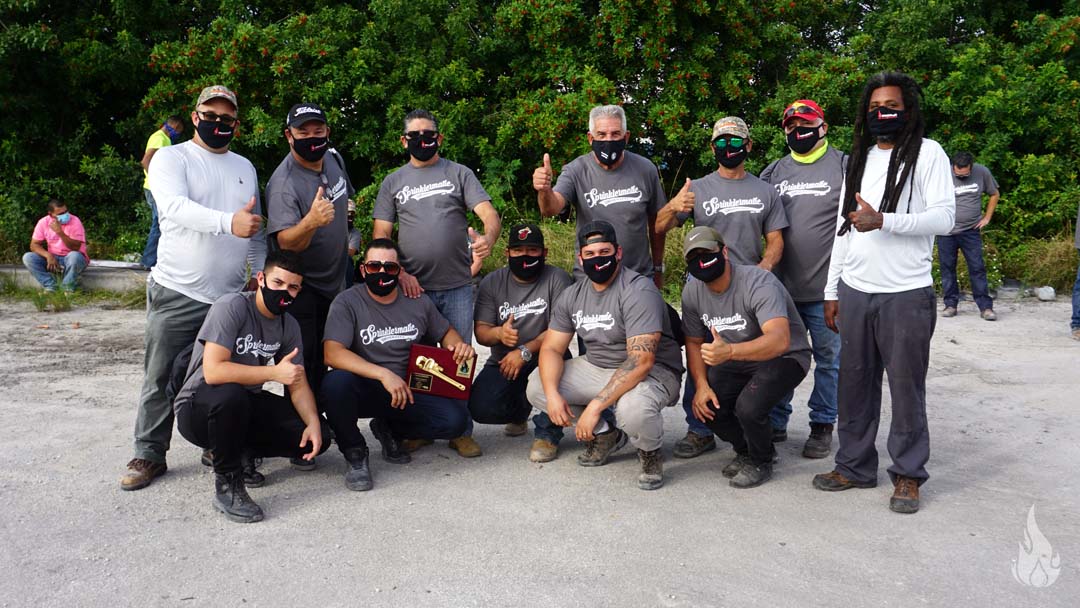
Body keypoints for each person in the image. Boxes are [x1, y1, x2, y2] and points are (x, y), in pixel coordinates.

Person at [813, 71, 955, 515]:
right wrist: (832, 289)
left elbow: (945, 218)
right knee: (854, 385)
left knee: (906, 388)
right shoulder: (859, 157)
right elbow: (844, 228)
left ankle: (908, 474)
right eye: (875, 107)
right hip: (856, 291)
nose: (882, 113)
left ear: (909, 110)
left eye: (891, 106)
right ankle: (854, 466)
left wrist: (885, 221)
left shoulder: (928, 153)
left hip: (905, 293)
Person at [121, 84, 266, 491]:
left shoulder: (244, 166)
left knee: (226, 378)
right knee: (161, 375)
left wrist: (259, 273)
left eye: (227, 118)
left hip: (229, 297)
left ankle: (217, 444)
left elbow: (255, 227)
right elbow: (174, 208)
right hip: (177, 290)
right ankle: (149, 453)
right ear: (195, 116)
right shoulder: (171, 157)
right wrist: (228, 222)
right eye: (211, 115)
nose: (218, 122)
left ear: (236, 123)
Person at [655, 115, 789, 459]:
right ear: (713, 147)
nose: (729, 148)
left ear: (748, 145)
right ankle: (700, 428)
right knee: (701, 350)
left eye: (735, 141)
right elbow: (659, 227)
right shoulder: (697, 188)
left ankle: (769, 421)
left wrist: (762, 271)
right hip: (704, 284)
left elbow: (775, 240)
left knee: (762, 352)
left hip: (749, 288)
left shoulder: (765, 190)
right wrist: (673, 206)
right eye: (722, 142)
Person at [372, 109, 501, 458]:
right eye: (414, 136)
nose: (422, 140)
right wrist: (399, 273)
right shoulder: (393, 182)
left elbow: (489, 214)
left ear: (440, 138)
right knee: (416, 362)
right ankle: (423, 428)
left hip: (457, 285)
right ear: (404, 142)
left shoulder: (459, 173)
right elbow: (381, 235)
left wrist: (488, 238)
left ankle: (461, 431)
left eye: (428, 134)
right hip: (412, 290)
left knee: (458, 358)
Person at [525, 221, 684, 490]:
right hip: (599, 366)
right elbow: (551, 348)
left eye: (604, 252)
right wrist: (552, 395)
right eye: (590, 254)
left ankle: (650, 453)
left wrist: (595, 407)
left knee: (632, 409)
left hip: (654, 371)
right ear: (580, 258)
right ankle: (606, 434)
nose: (597, 259)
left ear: (618, 253)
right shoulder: (573, 295)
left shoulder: (638, 290)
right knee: (538, 386)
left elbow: (641, 361)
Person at [173, 251, 329, 523]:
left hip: (244, 404)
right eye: (278, 283)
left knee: (318, 438)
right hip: (199, 408)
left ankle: (241, 450)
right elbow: (214, 371)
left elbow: (298, 380)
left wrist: (313, 422)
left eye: (293, 287)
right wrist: (273, 373)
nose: (284, 292)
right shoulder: (232, 306)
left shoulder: (289, 324)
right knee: (231, 393)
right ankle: (228, 485)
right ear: (261, 279)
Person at [320, 238, 477, 489]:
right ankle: (355, 453)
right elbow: (332, 353)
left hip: (409, 388)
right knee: (335, 384)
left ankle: (391, 429)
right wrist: (383, 374)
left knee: (454, 421)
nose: (382, 273)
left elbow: (446, 331)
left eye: (390, 268)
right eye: (374, 266)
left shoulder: (416, 300)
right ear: (363, 270)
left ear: (399, 271)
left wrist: (457, 345)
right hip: (368, 386)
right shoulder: (347, 301)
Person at [682, 227, 811, 488]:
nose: (701, 260)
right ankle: (747, 450)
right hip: (736, 358)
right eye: (694, 256)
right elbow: (694, 343)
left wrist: (729, 351)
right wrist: (701, 386)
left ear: (724, 252)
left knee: (749, 407)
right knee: (708, 407)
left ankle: (761, 461)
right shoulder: (692, 292)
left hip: (785, 356)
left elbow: (779, 340)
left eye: (707, 252)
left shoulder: (758, 282)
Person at [758, 99, 845, 457]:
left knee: (829, 361)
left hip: (828, 291)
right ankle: (777, 421)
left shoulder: (845, 165)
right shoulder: (773, 172)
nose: (799, 131)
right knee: (781, 358)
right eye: (792, 126)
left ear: (823, 127)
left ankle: (822, 425)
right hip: (782, 291)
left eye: (806, 124)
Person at [266, 103, 355, 395]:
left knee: (340, 354)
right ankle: (304, 419)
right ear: (289, 136)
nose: (312, 138)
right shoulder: (284, 184)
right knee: (306, 362)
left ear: (328, 131)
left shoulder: (333, 158)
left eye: (318, 131)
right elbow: (286, 245)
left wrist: (351, 239)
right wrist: (311, 222)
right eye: (303, 133)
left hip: (338, 277)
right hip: (302, 288)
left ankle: (325, 412)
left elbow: (348, 201)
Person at [533, 104, 668, 289]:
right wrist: (544, 190)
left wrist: (658, 268)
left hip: (637, 279)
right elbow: (550, 209)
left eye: (615, 134)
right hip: (591, 280)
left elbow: (657, 223)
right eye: (602, 135)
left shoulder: (645, 169)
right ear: (591, 138)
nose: (608, 140)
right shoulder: (576, 170)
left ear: (626, 137)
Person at [468, 223, 572, 450]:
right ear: (508, 253)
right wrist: (499, 333)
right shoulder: (492, 282)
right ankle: (520, 411)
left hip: (549, 355)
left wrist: (524, 351)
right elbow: (482, 332)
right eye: (518, 250)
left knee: (556, 376)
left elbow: (562, 328)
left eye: (532, 250)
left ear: (544, 252)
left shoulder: (558, 278)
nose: (525, 256)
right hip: (505, 361)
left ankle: (547, 434)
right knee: (480, 408)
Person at [938, 151, 1000, 320]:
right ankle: (950, 305)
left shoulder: (982, 172)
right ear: (953, 167)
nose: (962, 177)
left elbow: (994, 194)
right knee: (947, 268)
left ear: (971, 167)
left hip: (971, 230)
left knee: (977, 267)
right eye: (958, 175)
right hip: (946, 230)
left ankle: (985, 307)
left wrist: (987, 217)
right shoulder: (941, 173)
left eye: (965, 175)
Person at [139, 115, 184, 269]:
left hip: (155, 188)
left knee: (160, 223)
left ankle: (153, 260)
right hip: (154, 188)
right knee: (160, 224)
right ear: (175, 126)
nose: (178, 134)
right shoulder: (159, 138)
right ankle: (149, 261)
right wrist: (157, 181)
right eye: (179, 131)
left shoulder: (164, 139)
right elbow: (145, 161)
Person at [22, 198, 89, 292]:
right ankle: (51, 286)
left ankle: (67, 288)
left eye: (66, 211)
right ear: (51, 214)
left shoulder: (75, 221)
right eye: (61, 214)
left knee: (74, 256)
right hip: (53, 258)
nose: (65, 215)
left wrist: (60, 232)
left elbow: (75, 247)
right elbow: (34, 245)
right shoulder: (43, 222)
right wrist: (48, 255)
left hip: (72, 258)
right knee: (28, 257)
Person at [345, 200, 362, 288]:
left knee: (347, 260)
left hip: (344, 266)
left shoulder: (355, 233)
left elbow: (351, 252)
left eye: (352, 213)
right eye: (348, 212)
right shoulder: (332, 228)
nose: (350, 215)